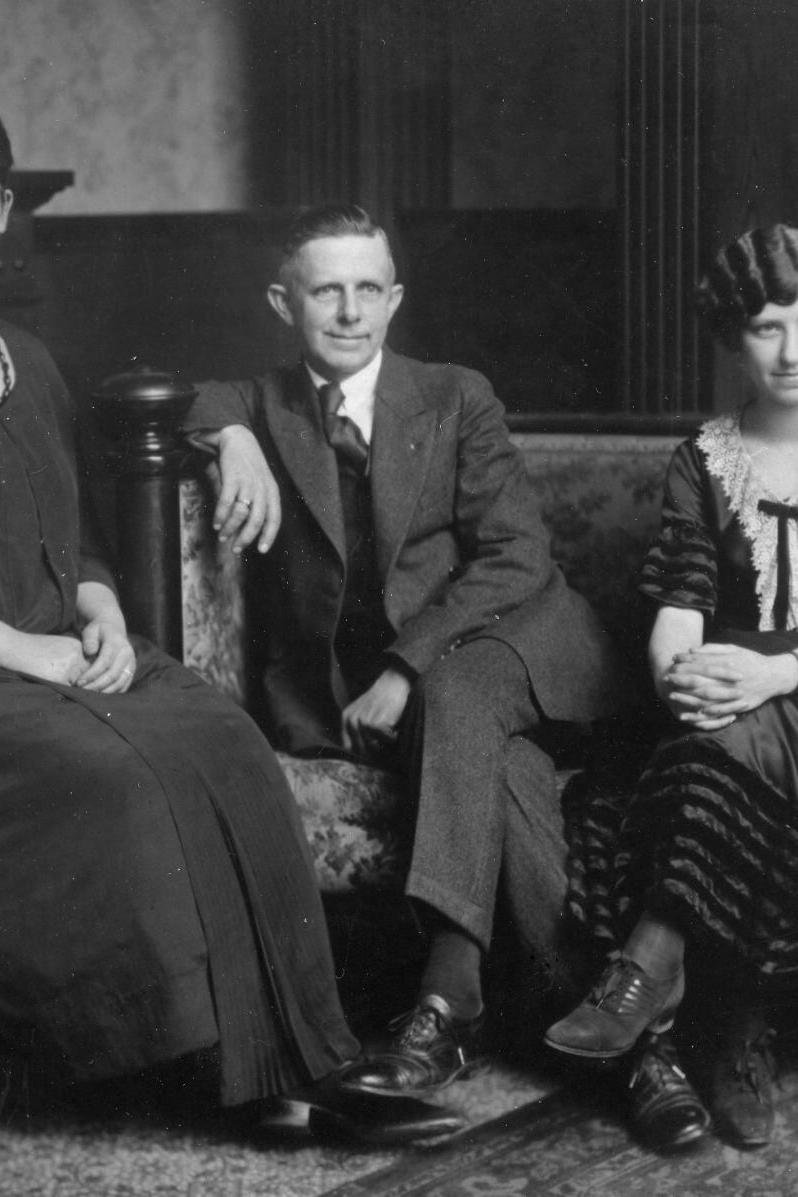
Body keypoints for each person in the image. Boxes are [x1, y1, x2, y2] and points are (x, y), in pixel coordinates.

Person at [0, 79, 457, 1157]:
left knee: (222, 736)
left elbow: (77, 535)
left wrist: (98, 616)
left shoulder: (26, 361)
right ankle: (206, 1066)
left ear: (5, 211)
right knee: (115, 772)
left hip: (28, 652)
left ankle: (300, 1062)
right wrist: (27, 654)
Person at [184, 204, 627, 1101]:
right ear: (283, 303)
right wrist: (231, 437)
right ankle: (626, 1037)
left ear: (394, 299)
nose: (350, 312)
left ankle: (446, 998)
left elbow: (517, 557)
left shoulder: (455, 394)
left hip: (514, 641)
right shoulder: (265, 404)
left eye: (368, 290)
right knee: (505, 768)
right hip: (429, 708)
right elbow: (192, 398)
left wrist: (403, 666)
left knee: (457, 692)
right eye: (325, 293)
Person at [545, 224, 798, 1150]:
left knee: (736, 740)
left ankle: (657, 977)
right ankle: (733, 1029)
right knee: (710, 746)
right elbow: (680, 607)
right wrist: (680, 682)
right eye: (767, 327)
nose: (792, 351)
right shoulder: (704, 456)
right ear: (734, 335)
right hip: (722, 699)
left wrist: (771, 673)